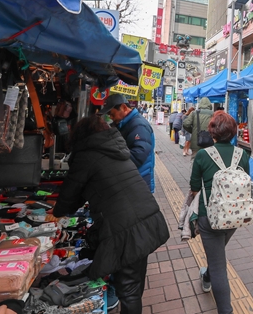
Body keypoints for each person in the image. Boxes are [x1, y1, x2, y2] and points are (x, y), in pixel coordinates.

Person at [54, 116, 170, 314]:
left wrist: (56, 213)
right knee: (134, 283)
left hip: (128, 228)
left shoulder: (86, 156)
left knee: (130, 290)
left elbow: (69, 195)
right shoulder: (115, 148)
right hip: (145, 219)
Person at [189, 112, 250, 314]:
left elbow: (194, 187)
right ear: (233, 132)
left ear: (212, 131)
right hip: (235, 216)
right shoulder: (243, 155)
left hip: (210, 218)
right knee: (216, 254)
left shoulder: (202, 155)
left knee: (218, 265)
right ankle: (206, 277)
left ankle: (226, 310)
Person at [99, 94, 156, 192]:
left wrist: (111, 157)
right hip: (131, 181)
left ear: (124, 108)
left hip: (139, 184)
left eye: (112, 114)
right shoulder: (125, 123)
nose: (111, 118)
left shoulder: (138, 125)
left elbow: (138, 156)